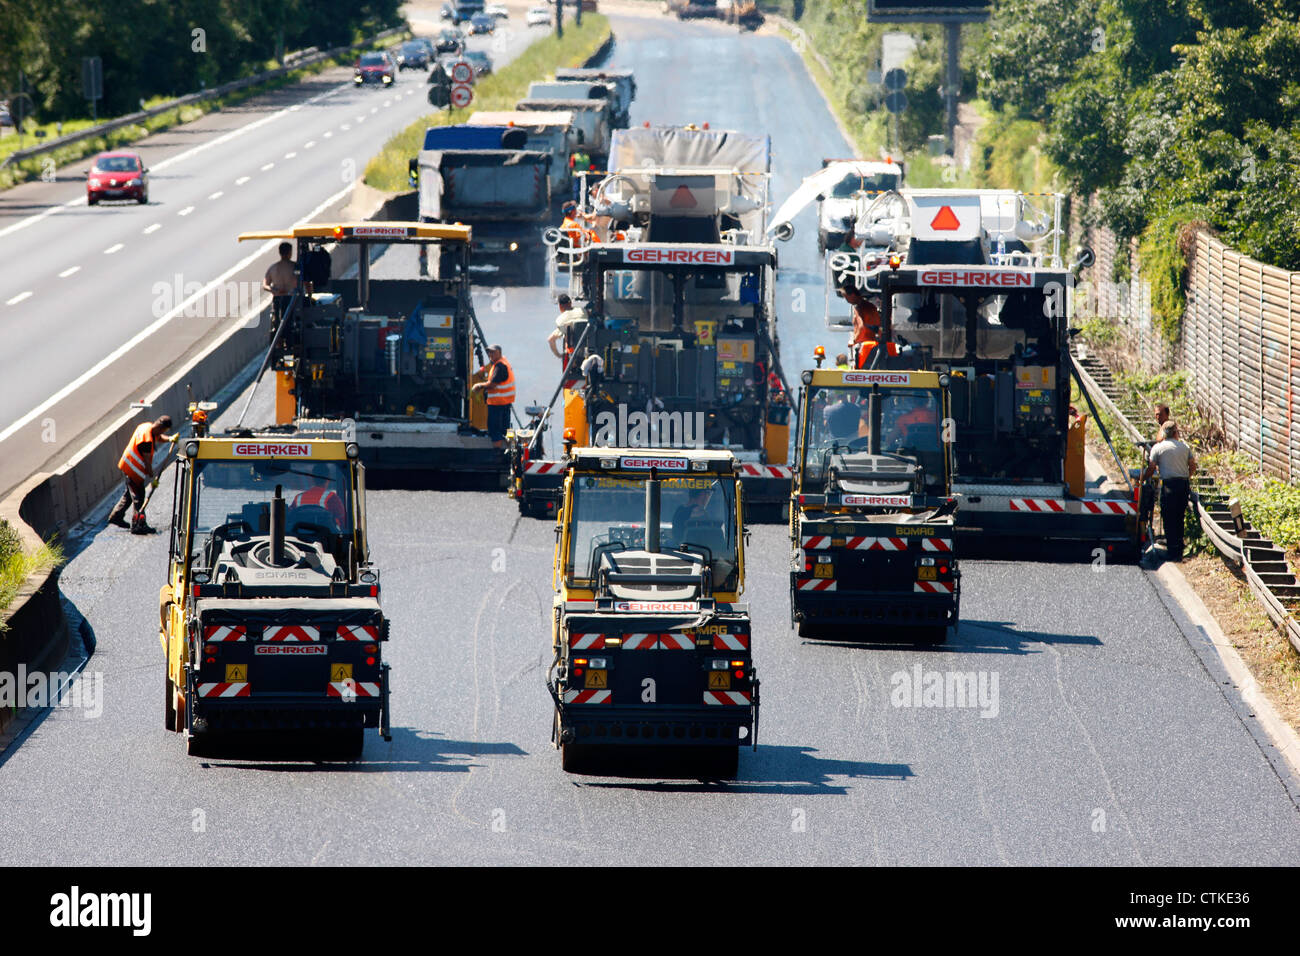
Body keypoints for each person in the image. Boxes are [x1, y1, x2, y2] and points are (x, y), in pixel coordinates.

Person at [107, 415, 173, 532]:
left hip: (128, 464)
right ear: (162, 428)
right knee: (139, 496)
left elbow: (158, 437)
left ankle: (116, 516)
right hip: (133, 469)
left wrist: (169, 439)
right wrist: (153, 477)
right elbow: (147, 461)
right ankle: (139, 524)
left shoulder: (146, 427)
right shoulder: (146, 441)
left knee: (129, 494)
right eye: (164, 431)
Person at [1142, 420, 1197, 562]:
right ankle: (1178, 549)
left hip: (1169, 487)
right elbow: (1192, 466)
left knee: (1168, 517)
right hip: (1183, 486)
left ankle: (1172, 551)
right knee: (1179, 517)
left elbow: (1151, 468)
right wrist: (1187, 476)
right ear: (1175, 432)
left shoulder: (1158, 448)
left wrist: (1142, 478)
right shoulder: (1184, 447)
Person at [471, 343, 515, 449]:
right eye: (489, 352)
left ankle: (497, 453)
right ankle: (508, 449)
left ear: (499, 353)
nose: (490, 354)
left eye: (493, 352)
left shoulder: (500, 366)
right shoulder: (503, 363)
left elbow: (493, 384)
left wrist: (479, 385)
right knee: (505, 428)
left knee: (494, 430)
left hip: (497, 403)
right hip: (504, 402)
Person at [263, 241, 296, 325]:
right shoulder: (295, 267)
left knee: (277, 323)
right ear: (290, 252)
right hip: (292, 299)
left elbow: (265, 285)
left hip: (278, 298)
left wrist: (274, 290)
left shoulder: (273, 268)